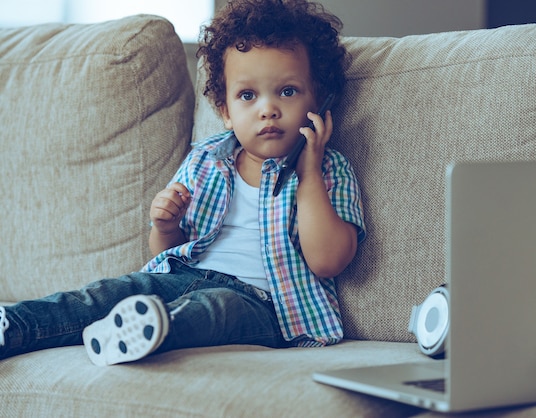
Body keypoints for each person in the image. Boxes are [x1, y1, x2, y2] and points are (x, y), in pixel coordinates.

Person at [0, 0, 365, 366]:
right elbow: (166, 250)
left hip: (263, 305)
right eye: (248, 96)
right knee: (110, 291)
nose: (267, 109)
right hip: (183, 276)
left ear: (318, 98)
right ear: (225, 112)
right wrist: (165, 225)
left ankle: (140, 332)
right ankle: (13, 325)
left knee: (211, 310)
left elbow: (327, 261)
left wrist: (310, 170)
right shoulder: (205, 159)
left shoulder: (330, 170)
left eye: (287, 91)